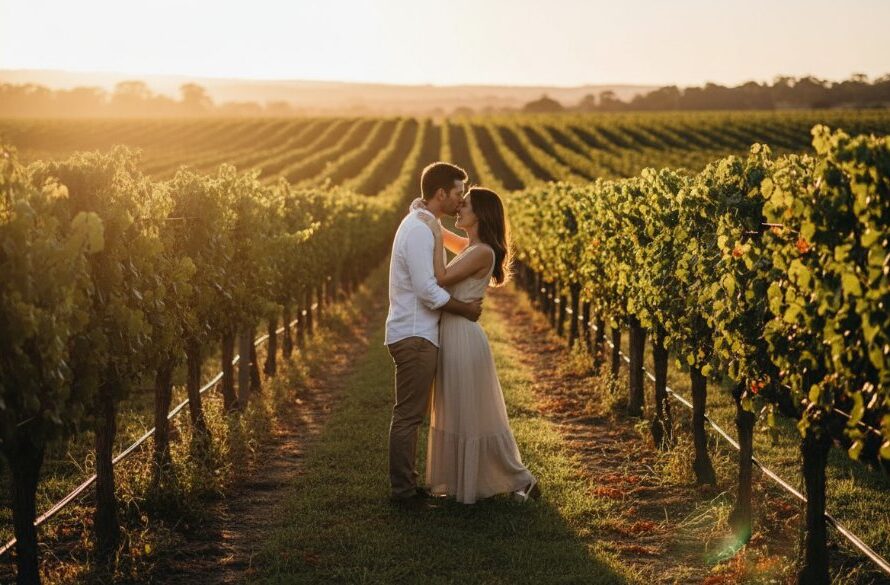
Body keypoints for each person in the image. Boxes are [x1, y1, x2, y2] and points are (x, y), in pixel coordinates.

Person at [416, 186, 540, 504]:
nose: (460, 208)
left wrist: (430, 225)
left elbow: (440, 277)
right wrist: (429, 216)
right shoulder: (473, 247)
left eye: (466, 205)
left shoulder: (483, 251)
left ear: (480, 214)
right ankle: (462, 484)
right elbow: (446, 237)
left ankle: (520, 479)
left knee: (471, 414)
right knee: (456, 410)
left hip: (463, 337)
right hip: (454, 332)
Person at [384, 161, 482, 503]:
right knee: (409, 415)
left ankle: (407, 486)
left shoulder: (426, 223)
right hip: (415, 334)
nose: (461, 199)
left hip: (418, 333)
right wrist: (467, 310)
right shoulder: (419, 229)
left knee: (411, 414)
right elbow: (427, 290)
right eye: (458, 193)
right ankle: (403, 492)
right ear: (441, 193)